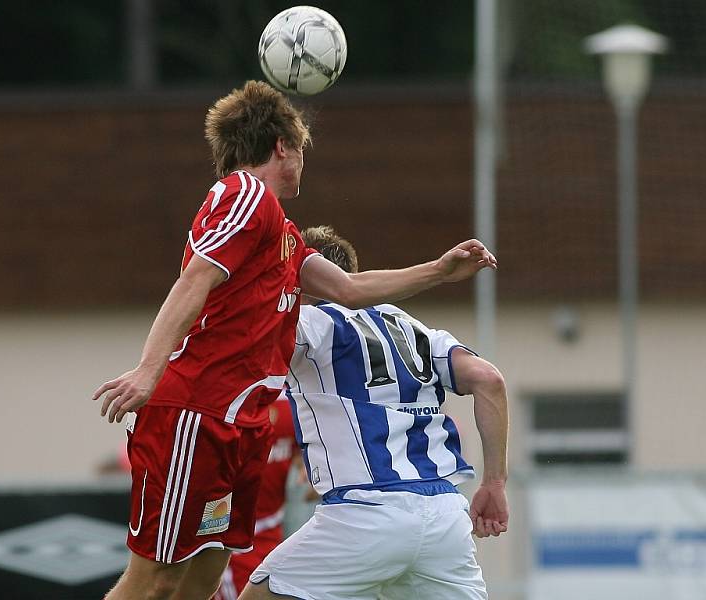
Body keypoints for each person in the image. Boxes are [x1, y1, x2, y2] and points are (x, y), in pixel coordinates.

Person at [91, 80, 496, 600]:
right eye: (302, 148)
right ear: (282, 145)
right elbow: (195, 277)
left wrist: (440, 271)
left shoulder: (280, 231)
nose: (304, 159)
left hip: (243, 425)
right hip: (197, 411)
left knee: (203, 577)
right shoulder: (245, 193)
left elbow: (349, 289)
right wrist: (149, 369)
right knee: (155, 582)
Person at [241, 226, 509, 600]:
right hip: (445, 517)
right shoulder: (416, 331)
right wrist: (494, 482)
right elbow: (489, 380)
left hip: (364, 512)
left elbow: (241, 334)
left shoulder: (311, 323)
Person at [213, 391, 317, 600]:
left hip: (272, 533)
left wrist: (315, 463)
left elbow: (309, 445)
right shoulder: (222, 397)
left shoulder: (296, 399)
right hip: (224, 536)